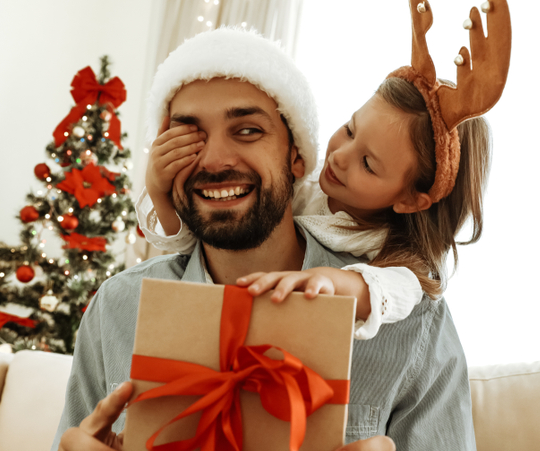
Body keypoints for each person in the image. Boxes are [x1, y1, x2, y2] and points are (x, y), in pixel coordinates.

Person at [16, 26, 490, 451]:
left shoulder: (407, 317)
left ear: (297, 158)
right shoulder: (118, 307)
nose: (215, 160)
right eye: (188, 135)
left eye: (247, 131)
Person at [137, 75, 491, 341]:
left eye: (368, 164)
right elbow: (191, 238)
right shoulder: (300, 185)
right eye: (350, 131)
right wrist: (158, 191)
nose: (338, 156)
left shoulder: (394, 252)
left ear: (410, 199)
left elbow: (392, 290)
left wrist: (333, 280)